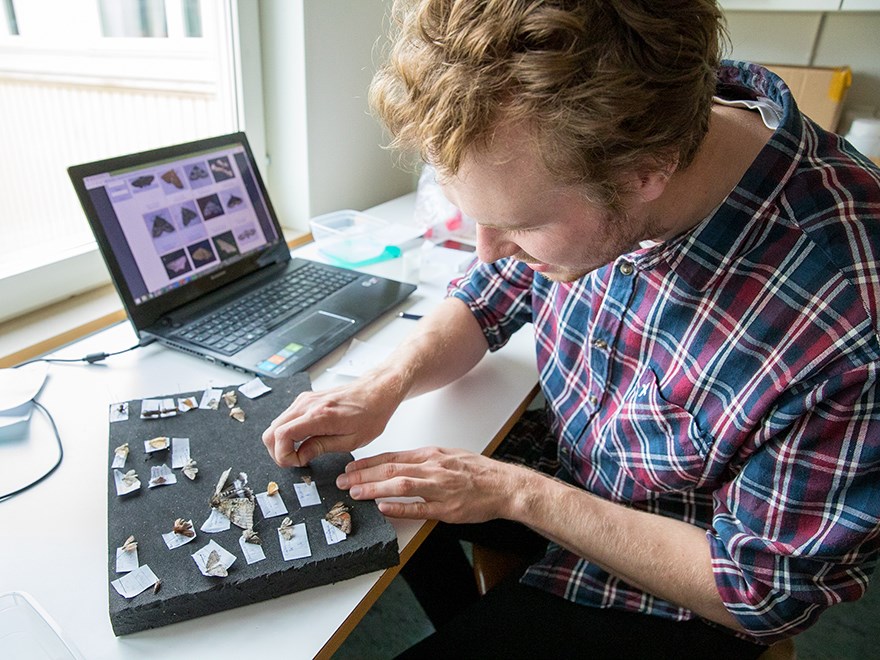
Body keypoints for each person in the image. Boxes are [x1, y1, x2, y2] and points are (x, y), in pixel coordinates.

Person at [263, 0, 880, 657]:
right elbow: (496, 287)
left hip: (683, 581)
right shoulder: (623, 120)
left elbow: (761, 593)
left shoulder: (849, 318)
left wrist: (513, 493)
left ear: (649, 172)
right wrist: (383, 385)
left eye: (521, 226)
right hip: (578, 463)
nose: (488, 251)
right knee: (351, 490)